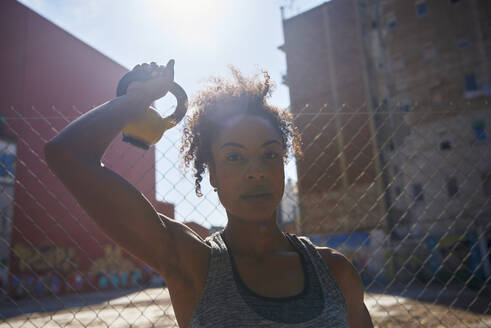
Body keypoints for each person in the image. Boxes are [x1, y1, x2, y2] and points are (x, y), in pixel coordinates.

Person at [44, 60, 374, 328]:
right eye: (234, 156)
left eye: (270, 154)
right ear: (213, 174)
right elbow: (67, 155)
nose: (256, 170)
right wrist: (135, 100)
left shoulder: (336, 272)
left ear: (282, 168)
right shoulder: (193, 263)